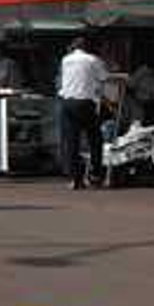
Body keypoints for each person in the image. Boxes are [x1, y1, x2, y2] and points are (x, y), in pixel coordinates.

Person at [57, 35, 109, 190]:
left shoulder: (65, 60)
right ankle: (95, 175)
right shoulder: (93, 60)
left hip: (67, 102)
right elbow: (104, 77)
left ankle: (74, 179)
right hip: (85, 103)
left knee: (72, 142)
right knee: (95, 139)